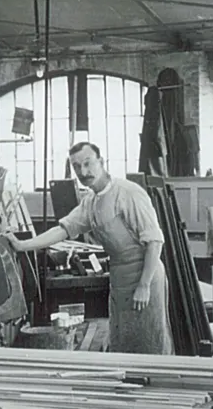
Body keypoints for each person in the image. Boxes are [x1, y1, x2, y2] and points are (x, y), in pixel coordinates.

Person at [10, 142, 171, 355]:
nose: (83, 172)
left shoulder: (128, 193)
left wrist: (144, 285)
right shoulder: (91, 202)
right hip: (120, 280)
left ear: (101, 162)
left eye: (88, 163)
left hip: (145, 278)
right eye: (77, 166)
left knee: (149, 344)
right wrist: (23, 245)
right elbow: (62, 230)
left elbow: (154, 241)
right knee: (123, 344)